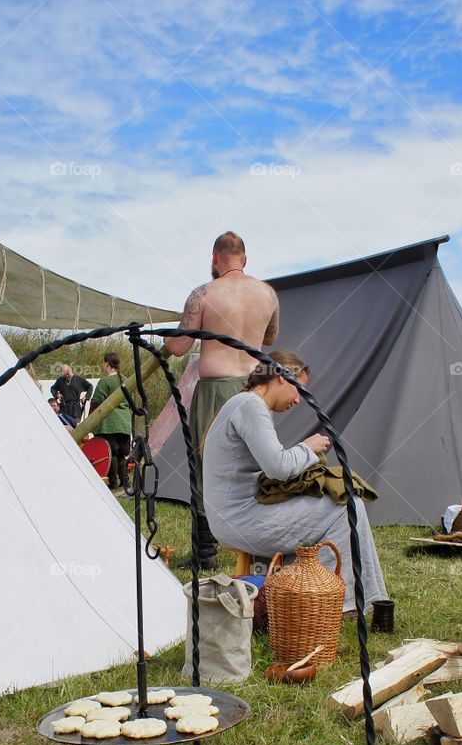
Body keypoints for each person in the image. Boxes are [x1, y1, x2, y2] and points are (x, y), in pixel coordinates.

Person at [202, 350, 388, 613]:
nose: (299, 399)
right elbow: (278, 467)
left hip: (233, 515)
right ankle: (333, 602)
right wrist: (308, 447)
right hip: (239, 519)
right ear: (279, 377)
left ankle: (312, 592)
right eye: (298, 388)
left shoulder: (244, 404)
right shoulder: (250, 406)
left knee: (342, 502)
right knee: (348, 506)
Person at [164, 230, 279, 567]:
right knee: (257, 464)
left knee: (207, 465)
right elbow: (271, 336)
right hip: (258, 390)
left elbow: (177, 347)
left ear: (214, 259)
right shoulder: (267, 294)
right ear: (245, 259)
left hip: (216, 390)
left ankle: (205, 554)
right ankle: (259, 550)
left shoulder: (203, 294)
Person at [89, 352, 132, 492]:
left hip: (110, 423)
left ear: (107, 363)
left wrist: (90, 420)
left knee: (111, 453)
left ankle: (113, 482)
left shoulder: (105, 381)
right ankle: (125, 481)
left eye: (103, 363)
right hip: (124, 421)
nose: (103, 365)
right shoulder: (126, 380)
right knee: (122, 453)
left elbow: (96, 402)